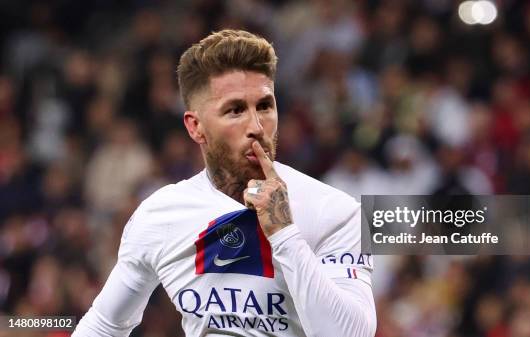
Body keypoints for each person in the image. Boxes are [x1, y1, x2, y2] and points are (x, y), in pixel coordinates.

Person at [72, 29, 376, 337]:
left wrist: (285, 235)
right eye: (235, 110)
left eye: (265, 106)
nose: (257, 127)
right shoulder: (160, 215)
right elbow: (103, 325)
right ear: (196, 127)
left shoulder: (336, 211)